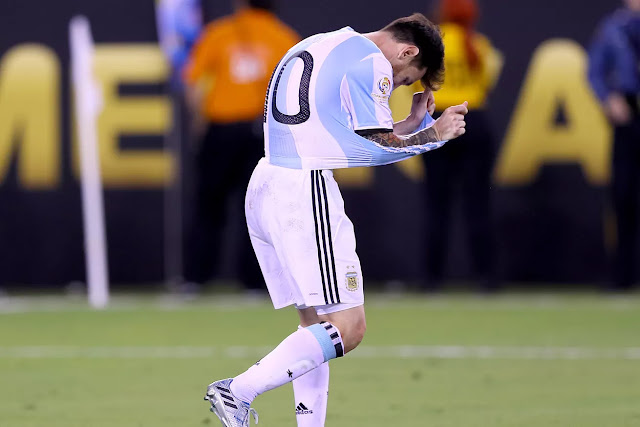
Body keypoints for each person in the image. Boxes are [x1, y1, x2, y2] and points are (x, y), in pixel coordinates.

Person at [203, 13, 468, 427]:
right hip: (303, 189)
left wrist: (411, 124)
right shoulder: (372, 61)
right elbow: (373, 148)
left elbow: (335, 132)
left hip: (269, 179)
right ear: (407, 51)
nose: (398, 85)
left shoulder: (318, 42)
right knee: (348, 327)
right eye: (406, 79)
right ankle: (237, 391)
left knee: (315, 328)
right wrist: (435, 136)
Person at [182, 0, 299, 291]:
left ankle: (195, 279)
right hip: (264, 132)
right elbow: (295, 91)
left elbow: (193, 82)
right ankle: (257, 283)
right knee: (259, 210)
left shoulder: (219, 32)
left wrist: (198, 121)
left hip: (221, 131)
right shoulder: (284, 36)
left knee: (208, 206)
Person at [421, 0, 502, 292]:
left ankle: (431, 279)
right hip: (472, 120)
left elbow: (418, 82)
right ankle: (486, 277)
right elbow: (488, 82)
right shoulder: (479, 45)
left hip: (438, 121)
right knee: (478, 203)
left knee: (436, 204)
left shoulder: (432, 44)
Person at [588, 0, 640, 292]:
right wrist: (608, 99)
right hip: (629, 116)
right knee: (623, 196)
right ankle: (624, 275)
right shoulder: (614, 28)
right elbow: (594, 71)